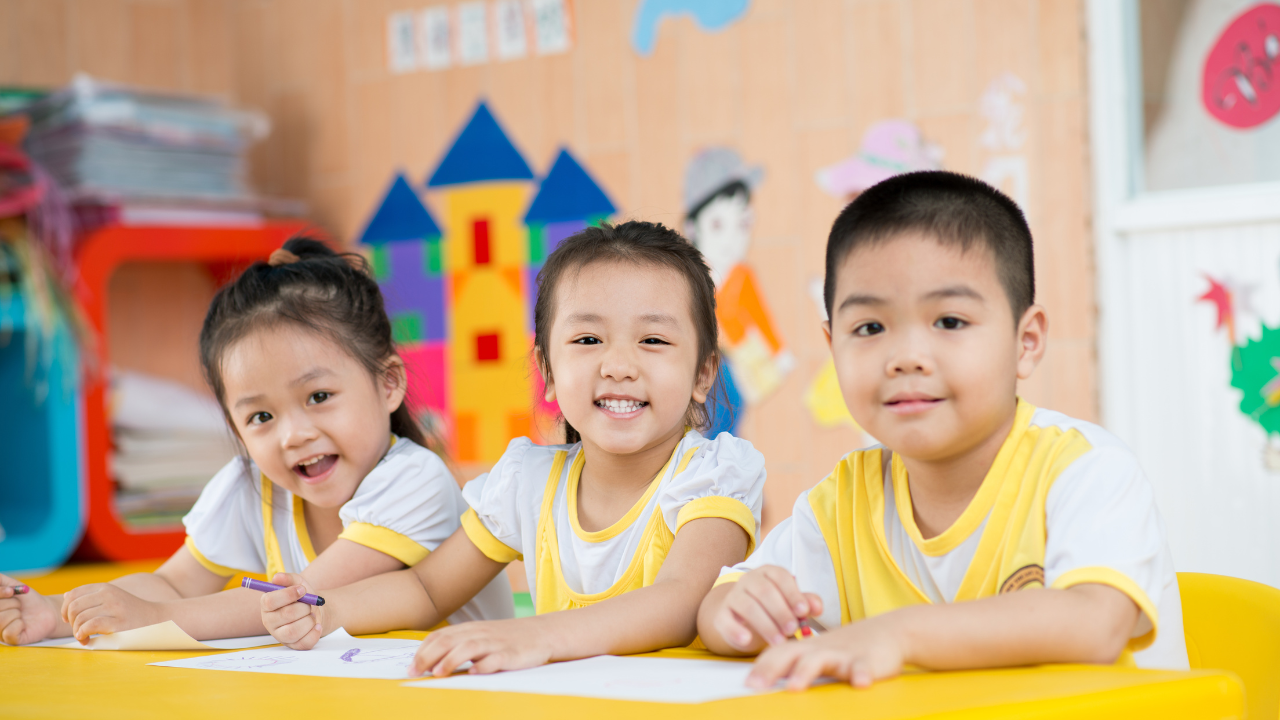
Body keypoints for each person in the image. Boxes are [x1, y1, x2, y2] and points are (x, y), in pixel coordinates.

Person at [697, 171, 1188, 690]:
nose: (906, 357)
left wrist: (897, 635)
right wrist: (743, 611)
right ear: (832, 343)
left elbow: (1095, 623)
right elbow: (717, 610)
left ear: (1026, 342)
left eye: (949, 322)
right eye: (869, 328)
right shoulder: (838, 506)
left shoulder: (1086, 471)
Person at [258, 221, 766, 678]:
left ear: (703, 373)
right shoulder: (528, 481)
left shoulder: (715, 475)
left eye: (653, 340)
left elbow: (679, 602)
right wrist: (325, 611)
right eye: (588, 340)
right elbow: (427, 590)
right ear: (547, 372)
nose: (618, 365)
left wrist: (536, 636)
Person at [0, 237, 511, 645]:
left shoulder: (413, 478)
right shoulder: (250, 486)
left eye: (318, 396)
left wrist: (154, 618)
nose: (294, 434)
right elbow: (175, 582)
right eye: (262, 415)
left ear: (388, 383)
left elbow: (301, 598)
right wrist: (59, 610)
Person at [683, 148, 792, 435]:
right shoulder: (687, 280)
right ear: (692, 228)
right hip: (697, 366)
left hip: (736, 361)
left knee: (726, 421)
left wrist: (778, 352)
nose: (732, 239)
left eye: (741, 224)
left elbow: (760, 314)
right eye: (718, 225)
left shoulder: (741, 276)